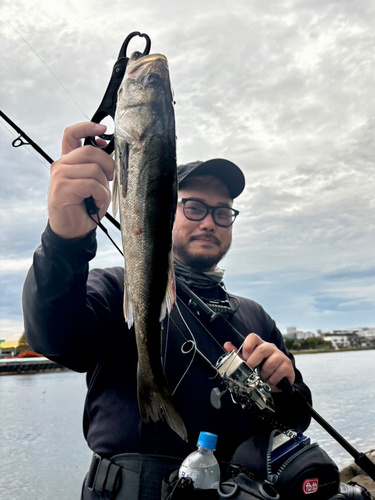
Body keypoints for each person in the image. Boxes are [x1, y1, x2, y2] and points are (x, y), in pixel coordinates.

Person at [22, 122, 312, 500]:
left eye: (222, 213)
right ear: (163, 209)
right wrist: (64, 242)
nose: (209, 222)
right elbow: (55, 337)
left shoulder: (255, 317)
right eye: (193, 207)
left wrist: (285, 388)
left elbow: (296, 417)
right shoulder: (115, 288)